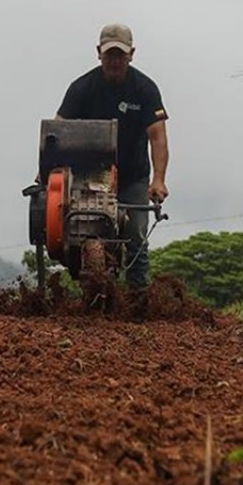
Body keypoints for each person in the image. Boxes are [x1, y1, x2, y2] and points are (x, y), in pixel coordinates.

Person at [56, 23, 169, 288]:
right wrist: (46, 172)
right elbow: (57, 132)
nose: (115, 61)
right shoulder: (82, 88)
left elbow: (158, 137)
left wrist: (159, 180)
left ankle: (138, 297)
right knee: (79, 230)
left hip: (133, 176)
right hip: (89, 176)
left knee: (136, 235)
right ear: (99, 53)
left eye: (120, 55)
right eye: (109, 55)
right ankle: (88, 286)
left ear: (131, 54)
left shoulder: (145, 89)